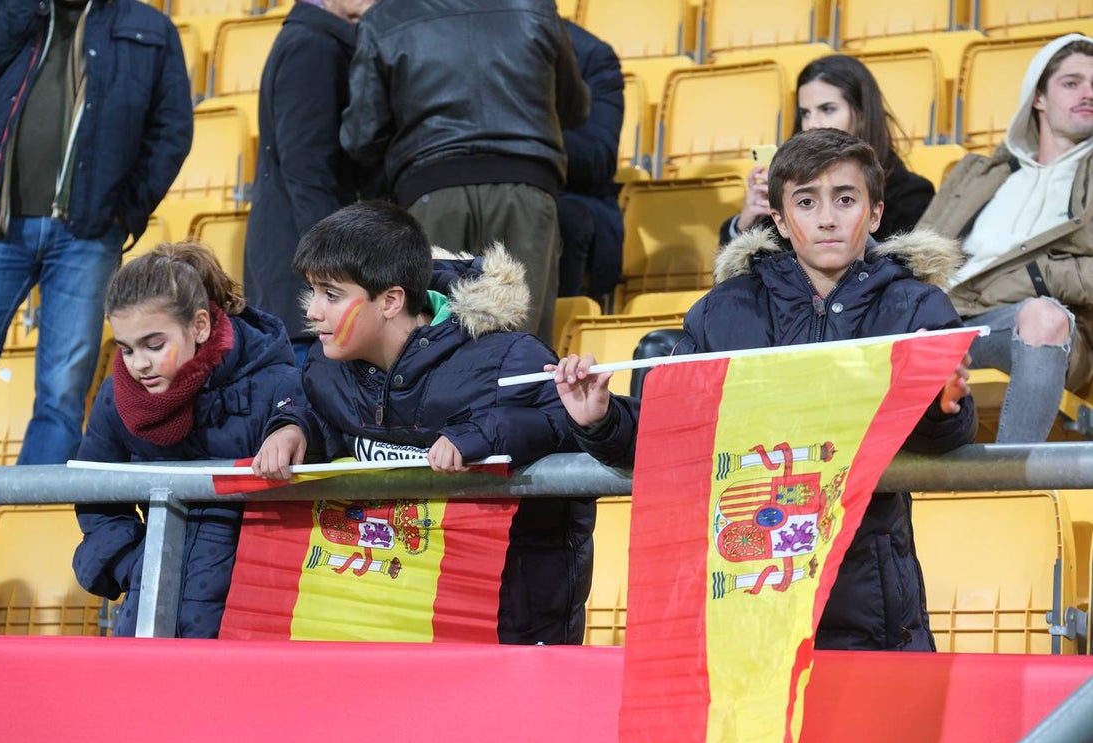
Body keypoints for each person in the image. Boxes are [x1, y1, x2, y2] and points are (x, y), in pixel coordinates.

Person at [551, 129, 976, 651]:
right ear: (778, 219)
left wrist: (941, 408)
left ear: (875, 213)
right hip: (744, 591)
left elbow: (944, 434)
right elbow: (675, 437)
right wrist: (602, 418)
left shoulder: (916, 307)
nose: (826, 218)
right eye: (805, 202)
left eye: (845, 200)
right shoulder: (724, 310)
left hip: (865, 592)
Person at [251, 200, 595, 645]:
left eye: (331, 295)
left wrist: (482, 438)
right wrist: (293, 427)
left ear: (391, 300)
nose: (312, 311)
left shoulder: (509, 357)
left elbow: (569, 427)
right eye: (312, 291)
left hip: (507, 617)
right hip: (390, 610)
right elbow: (329, 414)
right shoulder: (327, 362)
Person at [0, 0, 193, 467]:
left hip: (87, 237)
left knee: (62, 392)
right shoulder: (1, 7)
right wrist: (22, 12)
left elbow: (172, 132)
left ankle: (33, 516)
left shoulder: (149, 27)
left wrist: (123, 214)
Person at [72, 242, 303, 638]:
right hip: (146, 613)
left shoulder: (275, 385)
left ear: (199, 326)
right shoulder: (115, 398)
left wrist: (295, 425)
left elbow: (326, 423)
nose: (138, 363)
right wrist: (139, 565)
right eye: (126, 349)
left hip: (253, 616)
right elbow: (95, 501)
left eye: (154, 344)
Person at [340, 0, 590, 345]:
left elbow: (361, 136)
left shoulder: (384, 18)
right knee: (522, 349)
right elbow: (575, 109)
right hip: (526, 188)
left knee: (435, 347)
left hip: (431, 189)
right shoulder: (534, 7)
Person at [918, 34, 1093, 443]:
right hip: (946, 319)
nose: (1088, 93)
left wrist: (1038, 276)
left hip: (1040, 326)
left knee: (1042, 317)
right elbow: (920, 252)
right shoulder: (978, 173)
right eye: (1071, 83)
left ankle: (1010, 478)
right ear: (1039, 98)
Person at [244, 0, 378, 368]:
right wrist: (333, 269)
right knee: (310, 417)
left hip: (306, 284)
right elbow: (308, 170)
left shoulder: (318, 40)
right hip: (306, 292)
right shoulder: (312, 45)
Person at [720, 54, 934, 250]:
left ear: (861, 114)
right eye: (805, 113)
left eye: (827, 109)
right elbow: (740, 279)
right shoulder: (792, 187)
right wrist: (745, 223)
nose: (812, 124)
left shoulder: (911, 195)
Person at [556, 18, 624, 303]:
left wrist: (533, 131)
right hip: (481, 182)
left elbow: (599, 157)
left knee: (564, 218)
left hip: (570, 193)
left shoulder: (591, 55)